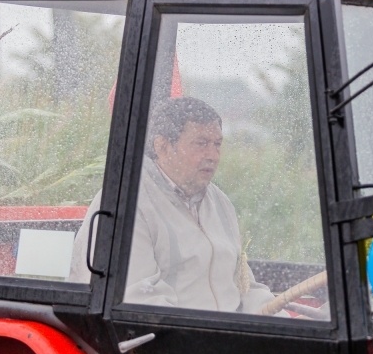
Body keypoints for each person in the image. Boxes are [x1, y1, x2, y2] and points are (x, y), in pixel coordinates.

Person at [70, 97, 281, 315]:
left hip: (225, 334)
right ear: (162, 146)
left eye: (217, 144)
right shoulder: (128, 203)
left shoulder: (220, 203)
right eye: (201, 144)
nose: (213, 156)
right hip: (167, 339)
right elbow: (136, 302)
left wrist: (285, 322)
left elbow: (243, 285)